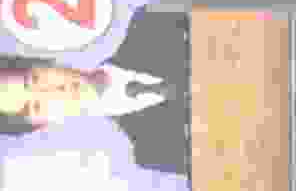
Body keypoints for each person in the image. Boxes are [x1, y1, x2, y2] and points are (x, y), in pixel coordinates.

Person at [0, 55, 171, 132]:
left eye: (36, 79)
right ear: (43, 124)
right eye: (37, 106)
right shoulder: (144, 156)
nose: (55, 91)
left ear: (43, 62)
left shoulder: (144, 25)